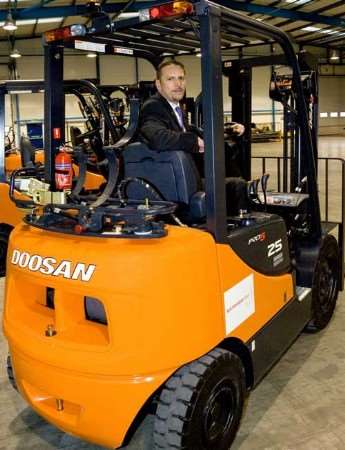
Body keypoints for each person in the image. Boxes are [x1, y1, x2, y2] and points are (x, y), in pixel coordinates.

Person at [139, 60, 248, 214]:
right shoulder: (153, 106)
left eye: (181, 78)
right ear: (158, 84)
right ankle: (238, 220)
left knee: (225, 152)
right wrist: (193, 141)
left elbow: (189, 129)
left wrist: (225, 130)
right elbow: (157, 137)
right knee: (237, 186)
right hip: (172, 182)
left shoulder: (174, 107)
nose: (178, 84)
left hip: (184, 174)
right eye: (170, 79)